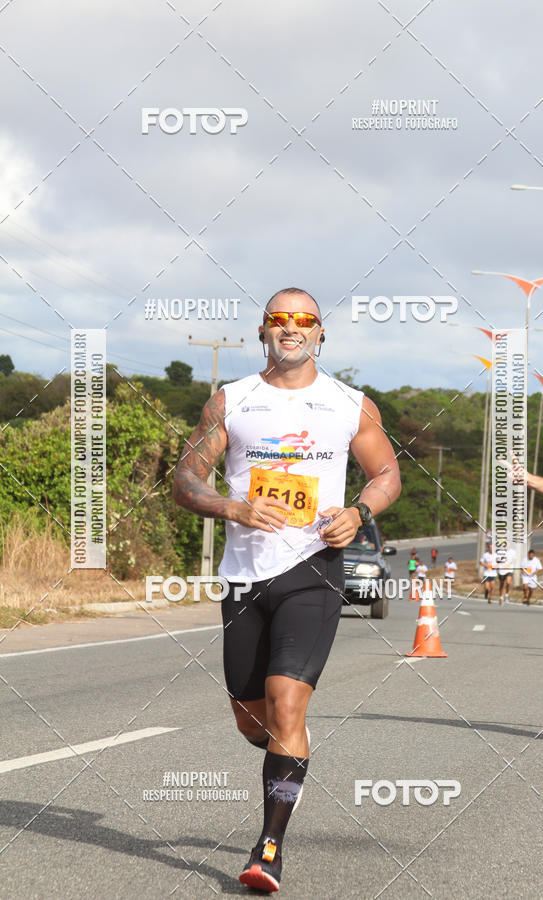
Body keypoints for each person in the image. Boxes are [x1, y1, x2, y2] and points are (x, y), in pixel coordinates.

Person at [173, 287, 401, 893]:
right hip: (246, 575)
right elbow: (186, 476)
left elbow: (386, 473)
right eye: (280, 320)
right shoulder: (233, 401)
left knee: (287, 701)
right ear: (263, 332)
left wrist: (359, 511)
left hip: (314, 569)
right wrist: (231, 505)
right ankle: (278, 748)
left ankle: (268, 847)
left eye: (305, 321)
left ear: (322, 333)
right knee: (253, 717)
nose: (292, 328)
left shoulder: (350, 405)